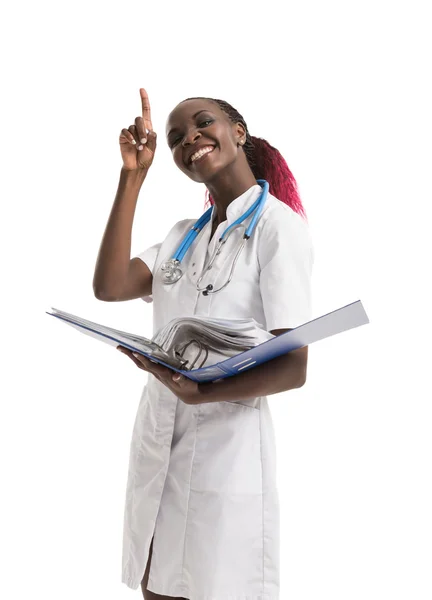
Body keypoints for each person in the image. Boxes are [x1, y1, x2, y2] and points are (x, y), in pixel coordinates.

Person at [93, 88, 314, 600]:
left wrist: (200, 393)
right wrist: (132, 176)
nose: (189, 138)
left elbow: (294, 366)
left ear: (238, 131)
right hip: (159, 443)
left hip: (227, 450)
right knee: (158, 586)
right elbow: (110, 286)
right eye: (174, 139)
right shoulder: (180, 237)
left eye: (202, 123)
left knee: (217, 586)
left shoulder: (279, 230)